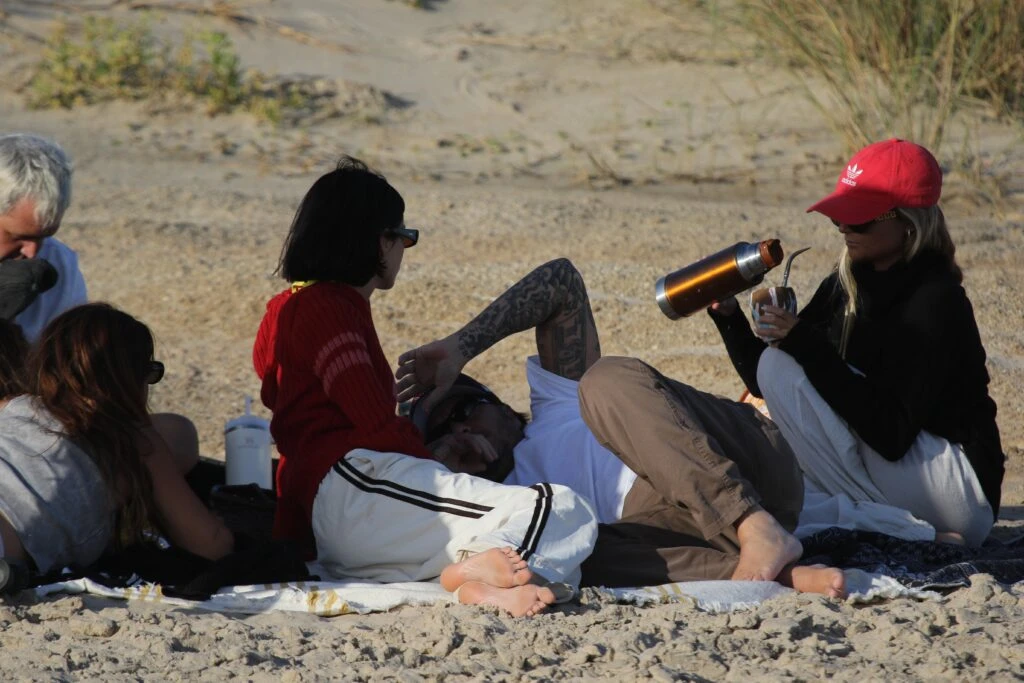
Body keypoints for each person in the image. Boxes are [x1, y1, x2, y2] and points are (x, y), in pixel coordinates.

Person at [252, 157, 598, 617]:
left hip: (333, 519)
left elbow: (292, 433)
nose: (403, 251)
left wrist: (294, 538)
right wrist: (430, 465)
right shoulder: (330, 307)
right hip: (354, 489)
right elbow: (373, 422)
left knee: (557, 568)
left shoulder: (285, 308)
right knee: (560, 508)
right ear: (380, 241)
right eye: (405, 238)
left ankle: (479, 578)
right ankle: (474, 571)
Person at [399, 258, 845, 596]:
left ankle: (753, 525)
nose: (459, 432)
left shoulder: (556, 401)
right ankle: (777, 569)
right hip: (681, 534)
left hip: (741, 464)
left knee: (605, 379)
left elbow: (561, 281)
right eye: (442, 436)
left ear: (495, 403)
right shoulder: (503, 509)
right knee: (562, 553)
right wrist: (446, 472)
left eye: (462, 412)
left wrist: (462, 346)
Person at [708, 138, 1004, 548]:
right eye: (839, 219)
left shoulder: (935, 299)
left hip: (956, 485)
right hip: (901, 473)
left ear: (906, 221)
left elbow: (892, 433)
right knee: (783, 474)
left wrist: (804, 343)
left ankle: (892, 523)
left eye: (859, 220)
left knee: (798, 485)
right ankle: (900, 527)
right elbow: (769, 383)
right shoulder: (849, 280)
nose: (845, 229)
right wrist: (730, 319)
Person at [0, 304, 233, 591]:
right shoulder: (135, 443)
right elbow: (210, 545)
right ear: (128, 379)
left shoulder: (13, 406)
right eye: (149, 373)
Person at [0, 133, 88, 341]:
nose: (32, 252)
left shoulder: (60, 264)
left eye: (44, 237)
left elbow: (66, 363)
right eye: (18, 236)